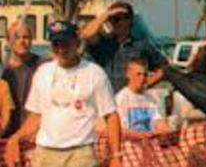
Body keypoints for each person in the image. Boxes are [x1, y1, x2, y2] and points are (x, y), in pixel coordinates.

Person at [4, 20, 122, 167]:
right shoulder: (42, 72)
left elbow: (111, 116)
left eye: (66, 43)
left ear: (77, 42)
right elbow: (36, 116)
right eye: (56, 44)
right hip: (45, 154)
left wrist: (116, 156)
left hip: (81, 153)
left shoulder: (95, 73)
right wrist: (15, 138)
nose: (61, 49)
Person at [80, 1, 165, 92]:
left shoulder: (141, 45)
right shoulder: (102, 43)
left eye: (117, 19)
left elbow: (163, 67)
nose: (114, 23)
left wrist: (145, 83)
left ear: (129, 20)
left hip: (131, 101)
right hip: (106, 98)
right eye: (111, 19)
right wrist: (106, 14)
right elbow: (85, 34)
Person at [115, 56, 168, 167]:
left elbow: (158, 121)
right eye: (138, 74)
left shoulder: (150, 97)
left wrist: (162, 128)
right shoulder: (121, 98)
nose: (142, 78)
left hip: (151, 151)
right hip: (131, 153)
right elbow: (119, 130)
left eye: (145, 74)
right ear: (128, 74)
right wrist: (141, 135)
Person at [2, 22, 43, 137]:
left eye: (25, 37)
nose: (22, 41)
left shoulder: (44, 67)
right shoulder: (5, 71)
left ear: (31, 40)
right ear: (9, 41)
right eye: (17, 37)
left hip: (36, 133)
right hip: (10, 134)